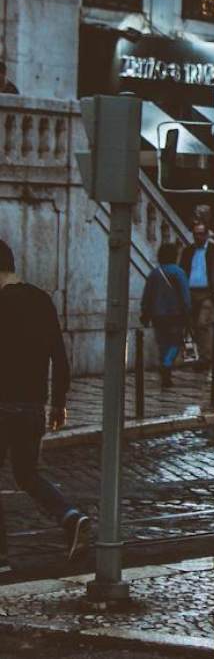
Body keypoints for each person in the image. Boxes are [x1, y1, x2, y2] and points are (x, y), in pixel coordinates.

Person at [0, 240, 92, 571]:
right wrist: (59, 403)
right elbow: (59, 355)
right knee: (27, 475)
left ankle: (1, 557)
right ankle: (71, 517)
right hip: (33, 406)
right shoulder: (41, 299)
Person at [140, 242, 190, 389]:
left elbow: (147, 296)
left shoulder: (155, 273)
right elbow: (185, 296)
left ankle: (165, 370)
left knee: (162, 343)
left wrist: (145, 313)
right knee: (175, 342)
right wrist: (188, 311)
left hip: (158, 315)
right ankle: (167, 364)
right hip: (175, 314)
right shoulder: (179, 272)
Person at [180, 215, 214, 366]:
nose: (198, 237)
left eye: (201, 233)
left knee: (204, 324)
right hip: (190, 292)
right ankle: (192, 357)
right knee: (190, 326)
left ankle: (206, 357)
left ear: (206, 234)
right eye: (195, 234)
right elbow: (183, 269)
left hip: (207, 292)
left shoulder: (213, 251)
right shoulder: (188, 251)